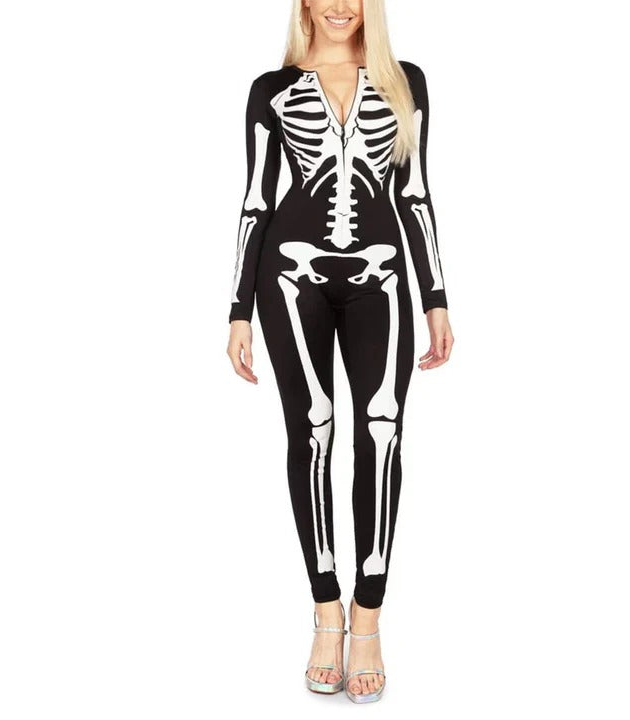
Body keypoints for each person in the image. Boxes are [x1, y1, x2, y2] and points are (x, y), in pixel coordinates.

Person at [226, 0, 454, 703]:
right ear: (303, 3)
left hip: (382, 276)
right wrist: (238, 309)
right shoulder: (272, 89)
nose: (338, 5)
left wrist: (436, 297)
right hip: (289, 277)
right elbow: (256, 199)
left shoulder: (404, 82)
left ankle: (369, 618)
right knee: (312, 433)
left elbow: (415, 194)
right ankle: (326, 613)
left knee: (382, 435)